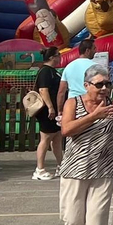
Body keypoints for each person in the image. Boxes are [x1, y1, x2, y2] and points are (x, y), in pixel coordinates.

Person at [59, 64, 113, 225]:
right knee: (73, 221)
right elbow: (66, 130)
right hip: (75, 170)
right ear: (86, 85)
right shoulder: (73, 103)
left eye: (107, 84)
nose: (104, 88)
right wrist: (94, 116)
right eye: (99, 84)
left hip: (104, 170)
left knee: (96, 224)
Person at [33, 47, 66, 180]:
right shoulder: (45, 71)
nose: (60, 57)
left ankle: (61, 165)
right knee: (45, 139)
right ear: (52, 57)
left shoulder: (53, 71)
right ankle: (39, 169)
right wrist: (50, 107)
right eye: (58, 55)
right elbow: (43, 90)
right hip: (47, 111)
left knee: (57, 138)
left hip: (54, 110)